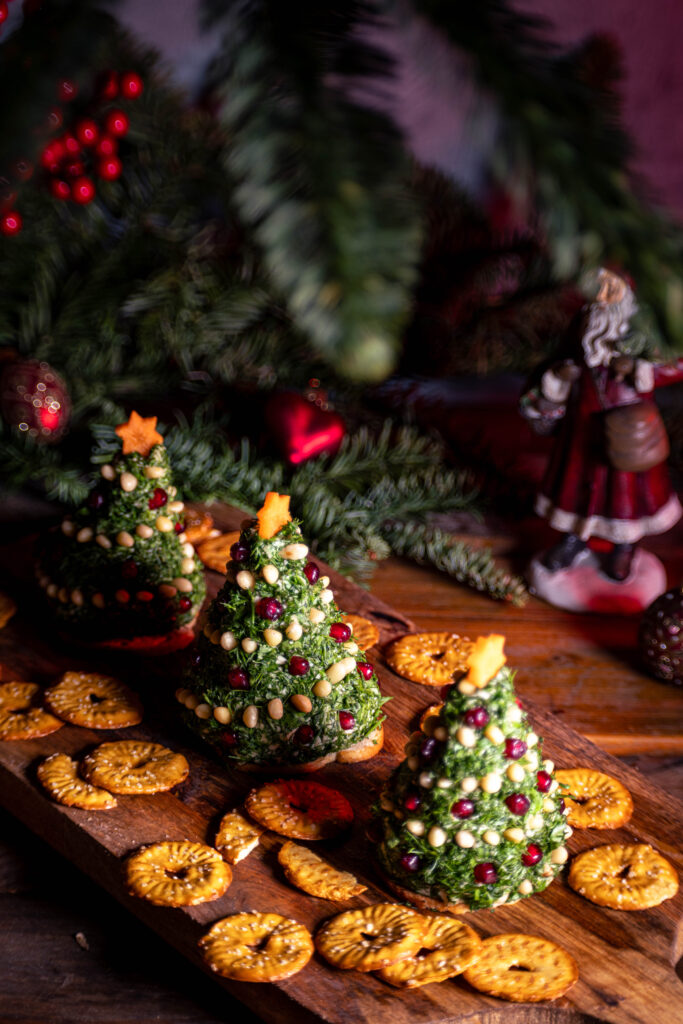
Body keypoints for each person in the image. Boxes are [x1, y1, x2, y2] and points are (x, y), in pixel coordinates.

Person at [521, 269, 683, 582]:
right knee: (575, 485)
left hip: (628, 429)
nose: (603, 292)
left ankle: (624, 547)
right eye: (601, 285)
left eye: (612, 286)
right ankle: (572, 540)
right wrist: (559, 376)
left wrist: (639, 366)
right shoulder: (584, 322)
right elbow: (561, 357)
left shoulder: (645, 329)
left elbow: (676, 362)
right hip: (582, 424)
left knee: (626, 493)